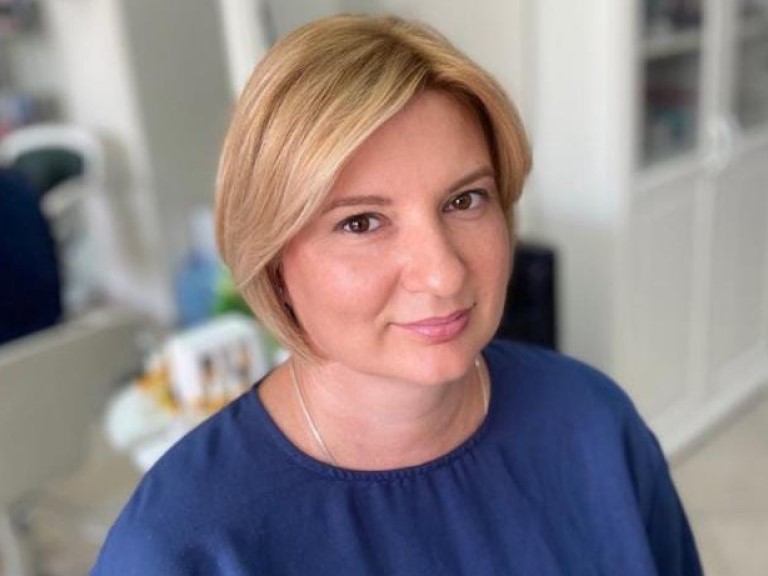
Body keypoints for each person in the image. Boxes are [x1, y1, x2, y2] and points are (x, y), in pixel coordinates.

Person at [92, 15, 703, 575]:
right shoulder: (180, 545)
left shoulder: (596, 423)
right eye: (361, 222)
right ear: (273, 259)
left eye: (465, 200)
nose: (443, 274)